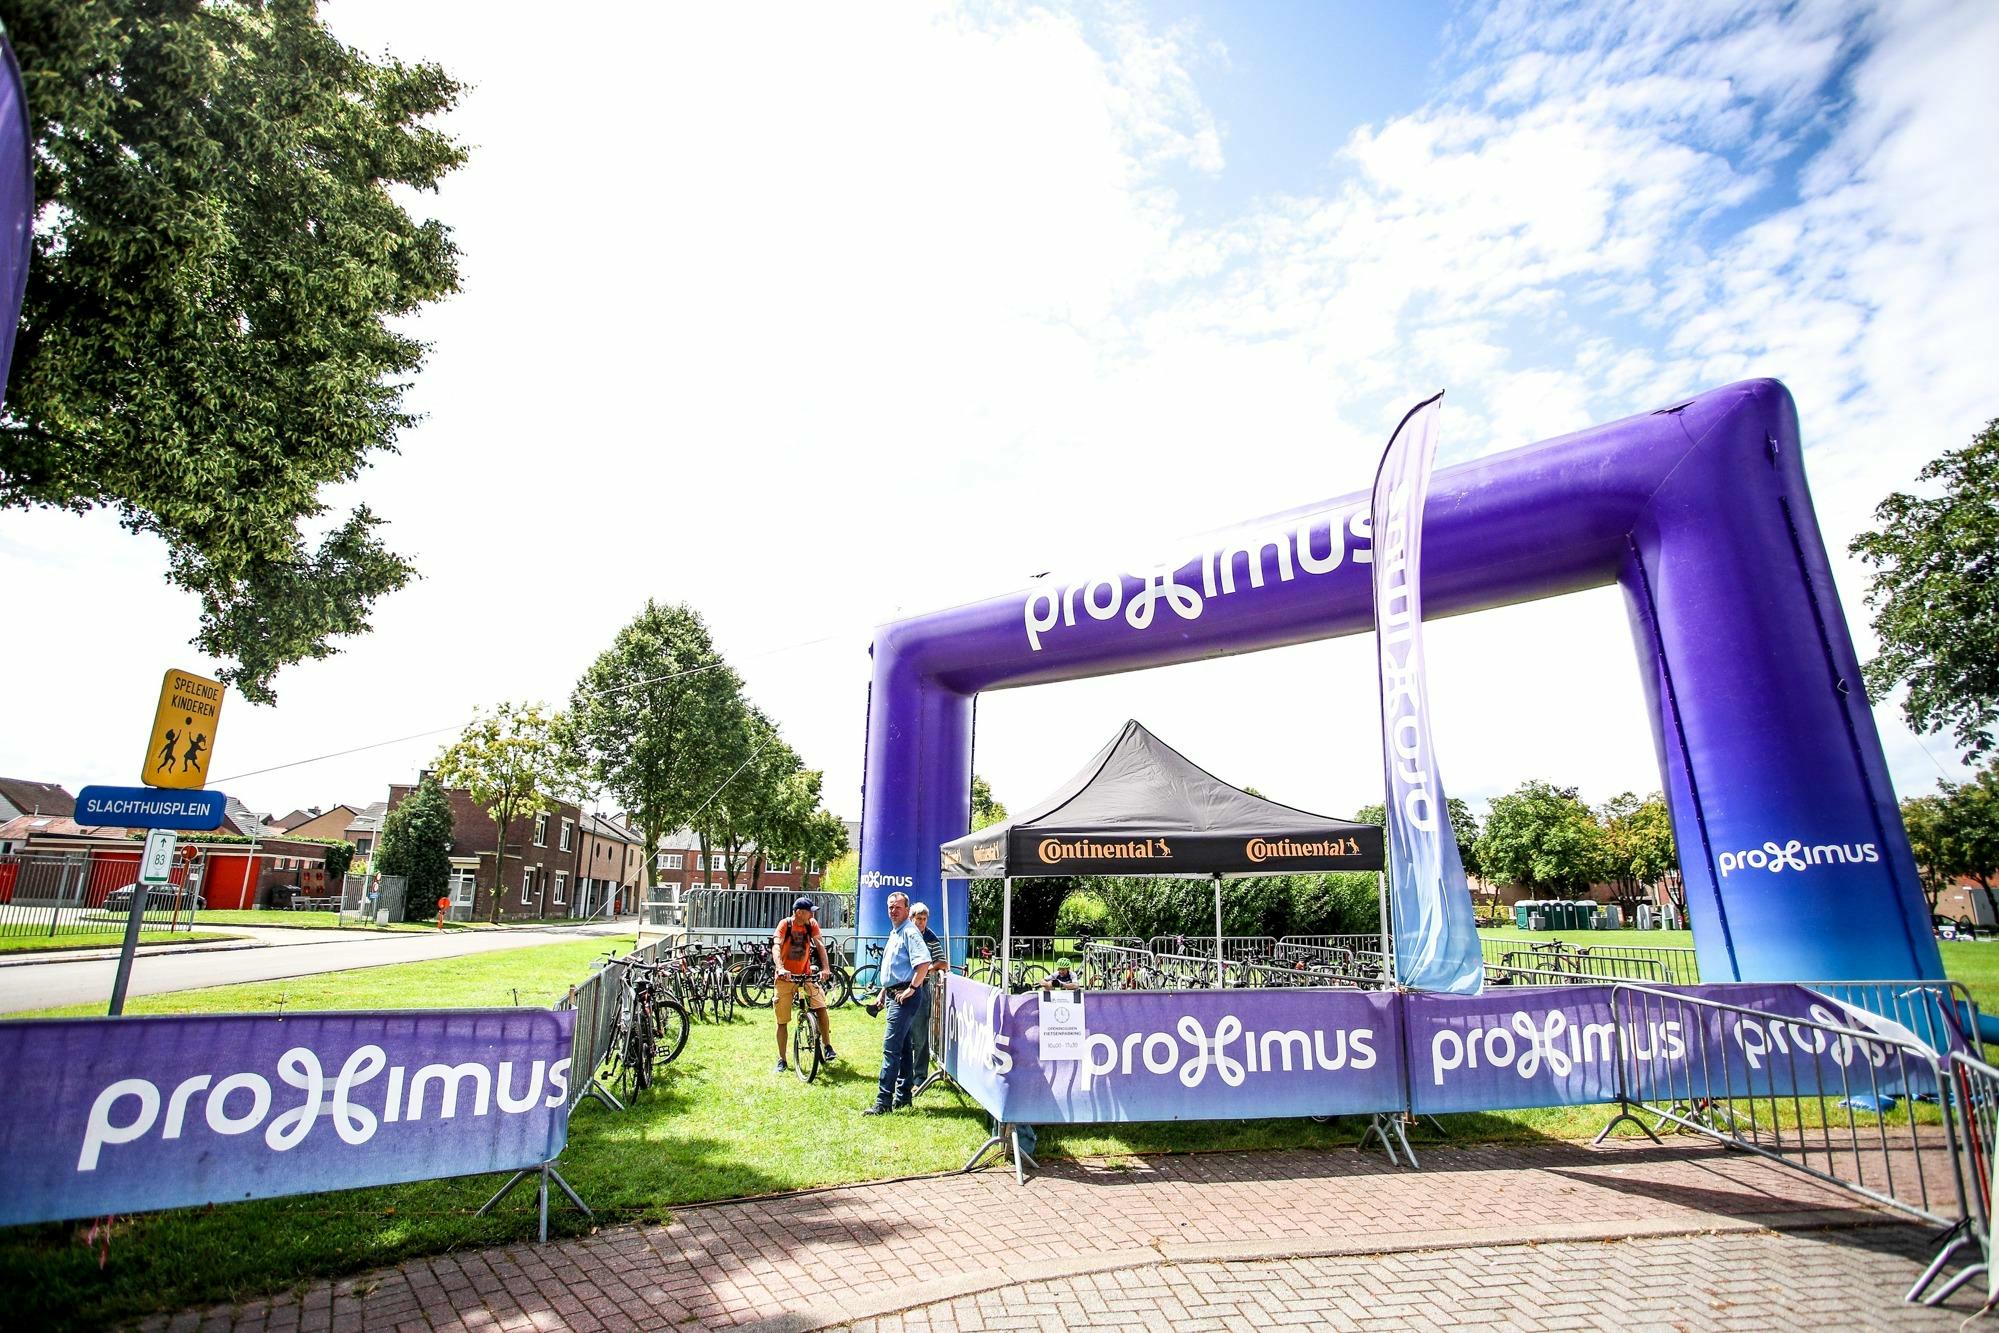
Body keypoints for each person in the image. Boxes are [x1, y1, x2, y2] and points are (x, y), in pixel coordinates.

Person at [863, 891, 932, 1115]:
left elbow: (924, 964)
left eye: (898, 907)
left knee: (890, 1049)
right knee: (902, 1049)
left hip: (905, 997)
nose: (893, 910)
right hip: (894, 994)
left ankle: (883, 1102)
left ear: (906, 909)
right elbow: (893, 968)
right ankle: (903, 1097)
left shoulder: (910, 932)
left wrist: (912, 988)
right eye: (890, 907)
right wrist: (883, 992)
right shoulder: (896, 932)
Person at [772, 897, 835, 1075]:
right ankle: (782, 1059)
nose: (812, 914)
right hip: (785, 978)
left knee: (821, 1006)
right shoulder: (785, 925)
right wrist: (780, 968)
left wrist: (825, 968)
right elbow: (776, 947)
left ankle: (828, 1046)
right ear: (799, 912)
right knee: (782, 1021)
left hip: (806, 975)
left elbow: (820, 945)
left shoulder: (811, 924)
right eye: (810, 911)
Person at [908, 902, 948, 1082]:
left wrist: (927, 969)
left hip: (921, 989)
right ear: (911, 919)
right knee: (903, 1034)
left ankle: (919, 1076)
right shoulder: (905, 933)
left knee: (920, 1034)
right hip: (902, 987)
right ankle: (905, 1072)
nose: (921, 923)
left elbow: (943, 962)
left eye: (924, 919)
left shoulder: (931, 938)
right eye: (918, 919)